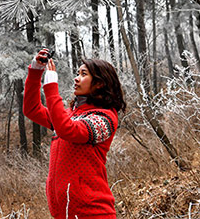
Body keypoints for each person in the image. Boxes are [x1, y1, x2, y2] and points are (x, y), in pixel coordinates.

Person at [23, 48, 126, 219]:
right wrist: (36, 71)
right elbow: (32, 109)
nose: (76, 78)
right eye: (77, 73)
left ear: (99, 83)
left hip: (94, 214)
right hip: (64, 214)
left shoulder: (105, 118)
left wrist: (51, 86)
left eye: (83, 74)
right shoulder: (69, 116)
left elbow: (67, 130)